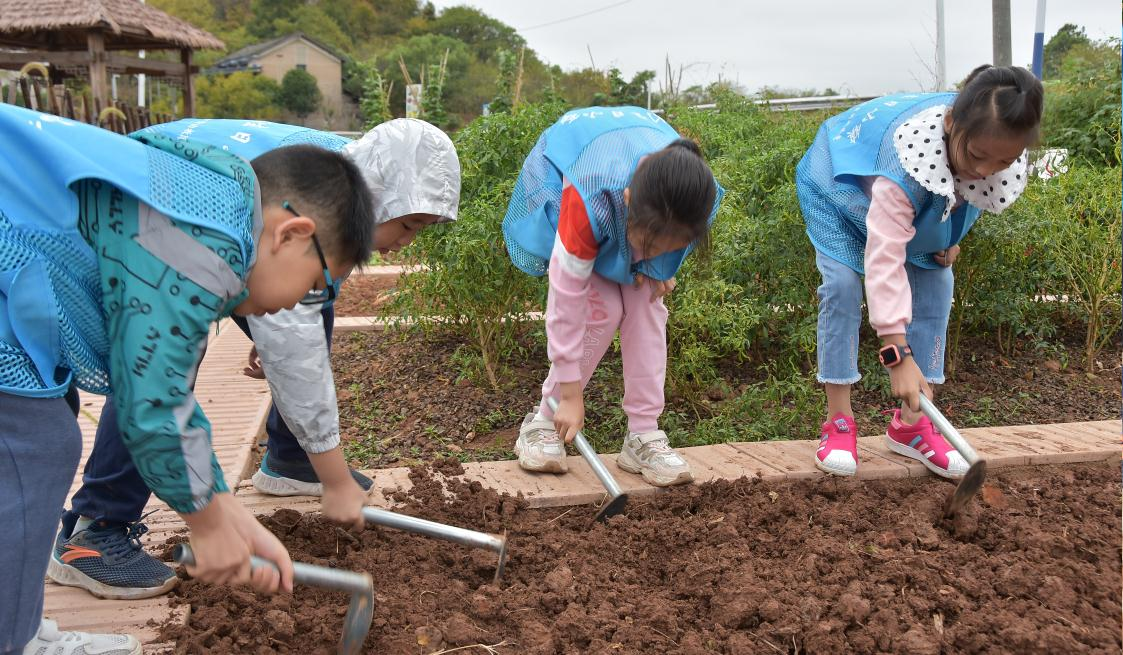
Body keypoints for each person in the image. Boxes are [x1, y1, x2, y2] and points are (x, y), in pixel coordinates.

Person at [0, 103, 374, 654]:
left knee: (44, 429)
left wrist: (224, 508)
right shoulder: (208, 243)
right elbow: (151, 400)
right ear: (291, 233)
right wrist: (205, 522)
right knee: (37, 445)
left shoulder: (210, 192)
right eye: (318, 282)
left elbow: (167, 390)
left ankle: (17, 625)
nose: (305, 301)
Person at [48, 118, 460, 601]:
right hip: (119, 244)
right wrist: (218, 519)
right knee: (153, 366)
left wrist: (225, 514)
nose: (408, 240)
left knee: (301, 317)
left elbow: (294, 321)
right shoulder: (237, 231)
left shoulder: (329, 187)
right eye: (409, 223)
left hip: (152, 241)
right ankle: (97, 528)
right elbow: (155, 393)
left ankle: (291, 461)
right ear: (381, 196)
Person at [795, 65, 1044, 478]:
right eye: (978, 156)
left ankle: (910, 427)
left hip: (905, 208)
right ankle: (838, 421)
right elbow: (884, 259)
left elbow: (973, 194)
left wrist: (951, 236)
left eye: (1002, 161)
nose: (985, 170)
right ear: (950, 124)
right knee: (841, 286)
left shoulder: (989, 157)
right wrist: (898, 355)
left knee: (937, 278)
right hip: (838, 189)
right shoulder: (905, 167)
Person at [502, 106, 723, 486]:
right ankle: (543, 419)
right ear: (626, 202)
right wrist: (570, 395)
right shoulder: (587, 199)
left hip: (645, 194)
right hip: (562, 167)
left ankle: (642, 434)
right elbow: (565, 301)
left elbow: (669, 237)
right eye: (649, 246)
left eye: (668, 247)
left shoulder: (692, 193)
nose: (653, 255)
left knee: (647, 308)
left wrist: (661, 269)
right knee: (600, 308)